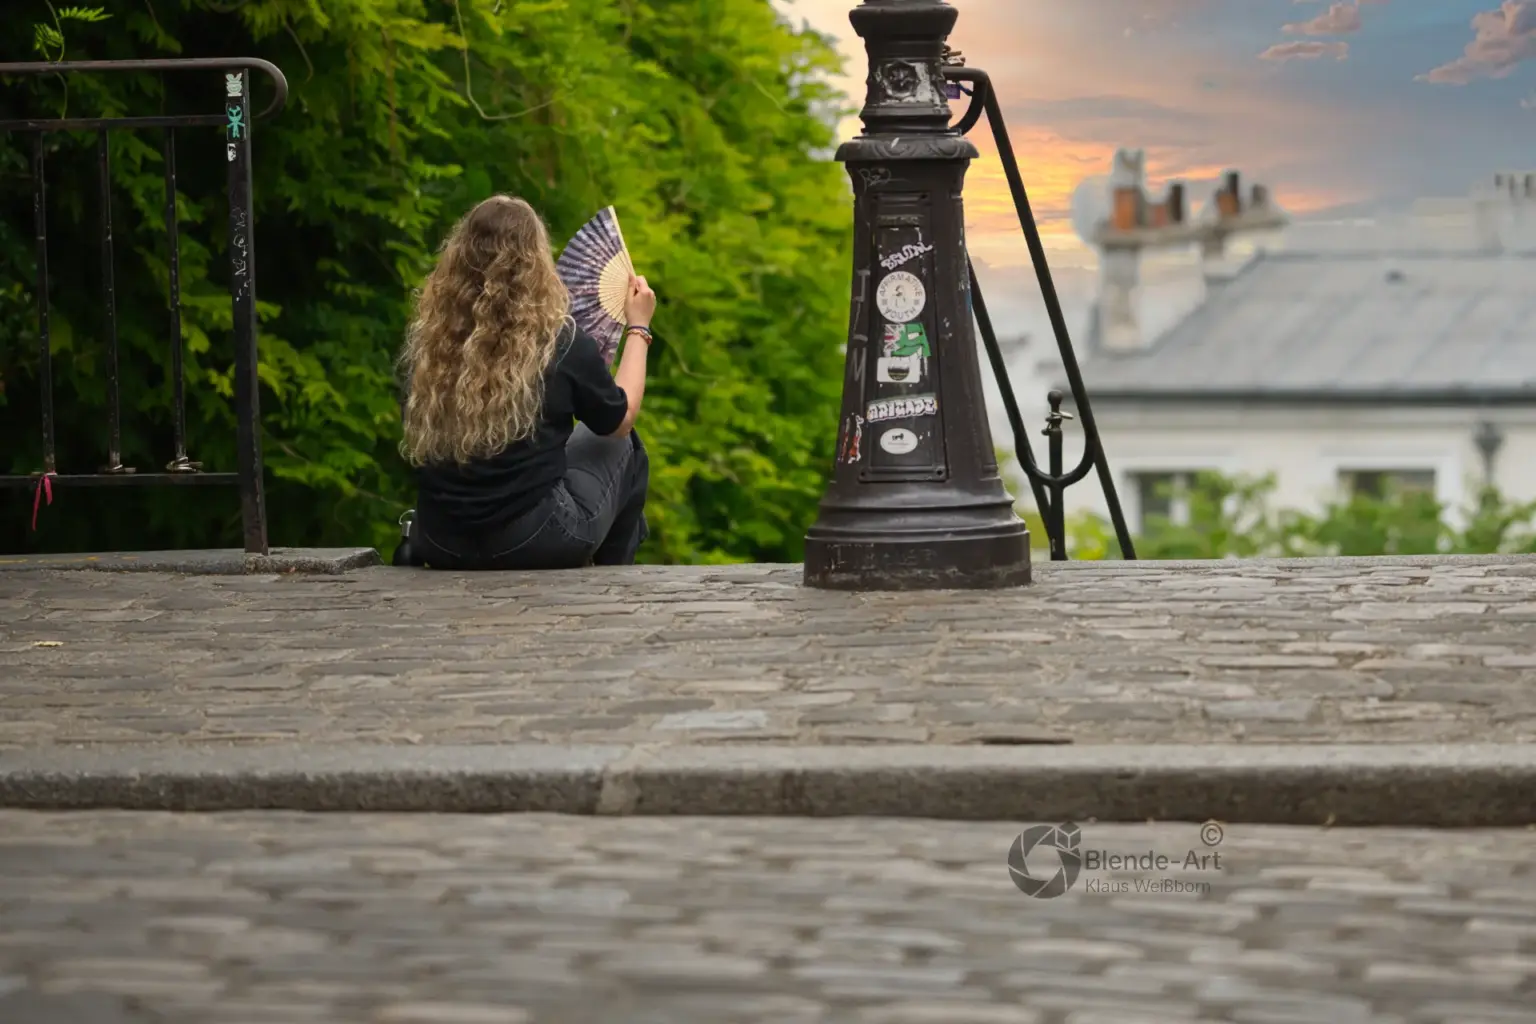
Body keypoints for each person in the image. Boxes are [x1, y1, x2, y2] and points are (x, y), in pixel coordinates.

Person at [397, 195, 656, 570]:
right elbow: (621, 417)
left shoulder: (428, 349)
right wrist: (639, 326)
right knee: (621, 444)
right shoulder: (558, 341)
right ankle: (611, 581)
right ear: (536, 262)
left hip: (440, 541)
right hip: (534, 539)